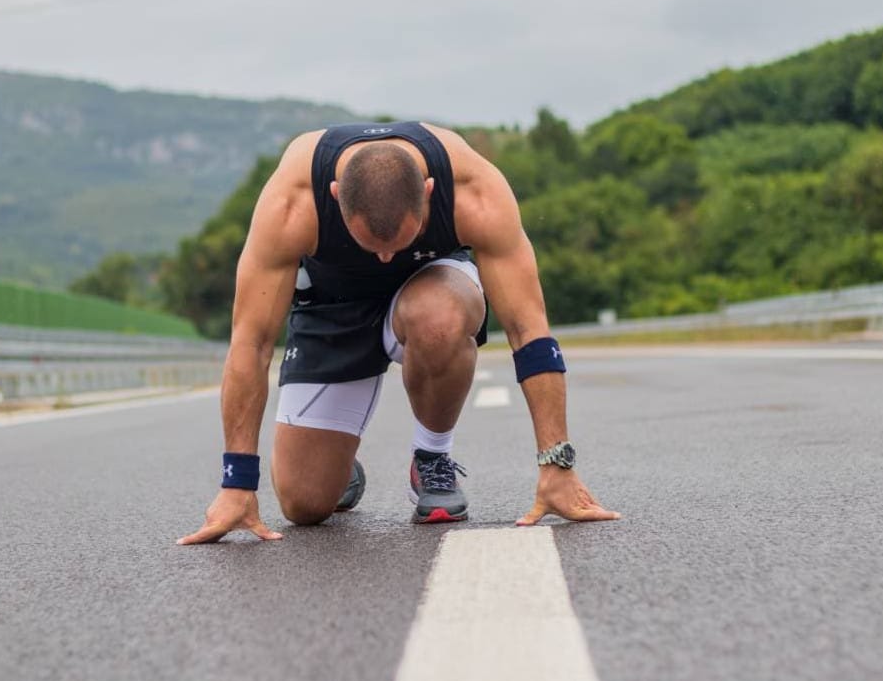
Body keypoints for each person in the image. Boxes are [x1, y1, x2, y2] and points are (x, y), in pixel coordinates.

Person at [177, 121, 619, 545]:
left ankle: (430, 457)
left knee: (439, 318)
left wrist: (556, 464)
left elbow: (528, 329)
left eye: (401, 241)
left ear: (429, 193)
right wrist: (237, 483)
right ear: (333, 198)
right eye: (372, 245)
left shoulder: (472, 190)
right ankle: (337, 460)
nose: (386, 258)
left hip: (430, 288)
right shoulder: (293, 203)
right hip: (334, 307)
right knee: (304, 505)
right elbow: (250, 344)